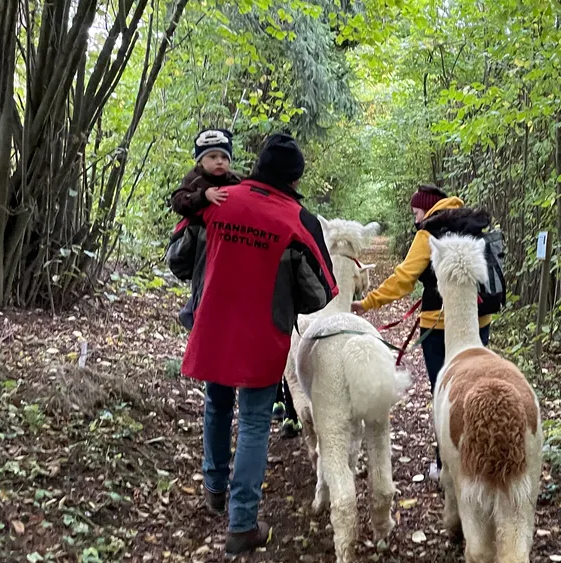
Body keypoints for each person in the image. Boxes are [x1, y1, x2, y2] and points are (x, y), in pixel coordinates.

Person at [175, 132, 338, 556]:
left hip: (212, 325)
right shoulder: (298, 219)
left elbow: (178, 260)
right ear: (295, 178)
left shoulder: (217, 199)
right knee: (251, 423)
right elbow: (321, 293)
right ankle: (242, 523)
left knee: (216, 403)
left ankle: (214, 487)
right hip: (263, 334)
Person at [351, 184, 492, 482]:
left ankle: (446, 469)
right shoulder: (470, 224)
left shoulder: (429, 231)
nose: (415, 218)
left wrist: (368, 302)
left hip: (440, 325)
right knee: (473, 390)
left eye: (416, 211)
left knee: (445, 395)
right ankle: (476, 462)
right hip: (479, 320)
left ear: (427, 208)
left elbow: (404, 279)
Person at [167, 128, 301, 436]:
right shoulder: (195, 186)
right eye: (212, 157)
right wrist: (203, 199)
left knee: (220, 400)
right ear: (200, 161)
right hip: (246, 308)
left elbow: (179, 262)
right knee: (251, 413)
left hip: (218, 306)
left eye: (223, 157)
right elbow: (180, 203)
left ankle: (215, 480)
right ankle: (237, 484)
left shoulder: (236, 186)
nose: (219, 163)